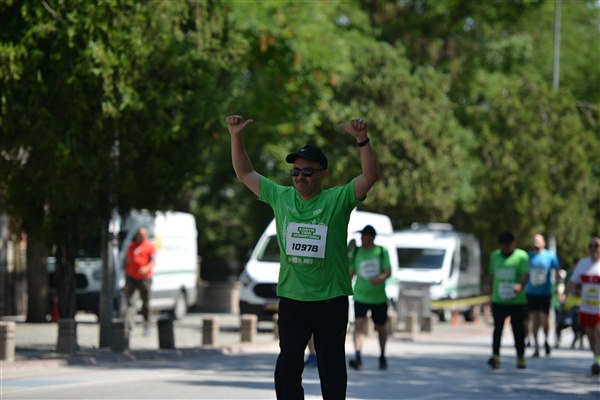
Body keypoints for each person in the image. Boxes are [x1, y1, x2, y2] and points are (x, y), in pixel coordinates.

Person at [227, 114, 379, 400]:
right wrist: (236, 136)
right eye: (295, 172)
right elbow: (245, 173)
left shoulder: (337, 199)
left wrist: (362, 140)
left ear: (322, 174)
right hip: (293, 299)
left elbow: (370, 176)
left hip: (330, 300)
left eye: (307, 172)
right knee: (287, 367)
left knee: (331, 369)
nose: (300, 177)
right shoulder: (281, 197)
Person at [348, 224, 391, 370]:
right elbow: (351, 272)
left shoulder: (381, 252)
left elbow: (388, 271)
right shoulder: (357, 252)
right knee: (358, 325)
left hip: (378, 297)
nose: (361, 238)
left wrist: (380, 278)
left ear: (371, 237)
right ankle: (357, 355)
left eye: (364, 236)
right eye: (361, 236)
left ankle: (382, 354)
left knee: (380, 327)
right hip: (360, 296)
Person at [487, 231, 529, 370]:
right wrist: (490, 295)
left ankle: (520, 357)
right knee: (498, 329)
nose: (505, 247)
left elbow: (525, 274)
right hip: (499, 300)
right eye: (503, 244)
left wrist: (520, 286)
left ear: (513, 243)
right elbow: (491, 275)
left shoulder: (521, 256)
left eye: (508, 244)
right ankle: (495, 356)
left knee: (518, 330)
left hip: (517, 301)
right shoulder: (494, 256)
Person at [567, 236, 600, 376]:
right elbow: (573, 281)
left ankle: (597, 361)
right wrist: (565, 294)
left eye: (596, 245)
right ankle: (596, 356)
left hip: (599, 308)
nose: (593, 248)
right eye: (590, 246)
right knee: (590, 335)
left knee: (598, 333)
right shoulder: (583, 263)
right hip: (586, 307)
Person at [525, 234, 560, 357]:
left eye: (538, 241)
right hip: (531, 292)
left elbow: (557, 271)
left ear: (543, 243)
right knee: (534, 319)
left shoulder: (550, 256)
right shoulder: (528, 257)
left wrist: (557, 286)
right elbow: (524, 273)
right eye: (534, 241)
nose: (536, 243)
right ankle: (536, 346)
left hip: (545, 293)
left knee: (544, 319)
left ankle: (546, 339)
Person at [124, 227, 156, 335]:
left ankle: (147, 325)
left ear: (146, 236)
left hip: (145, 279)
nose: (140, 237)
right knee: (131, 302)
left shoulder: (150, 246)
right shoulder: (131, 246)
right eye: (139, 235)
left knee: (145, 303)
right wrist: (126, 281)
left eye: (142, 235)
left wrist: (146, 268)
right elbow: (127, 263)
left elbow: (153, 261)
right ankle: (128, 326)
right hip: (132, 278)